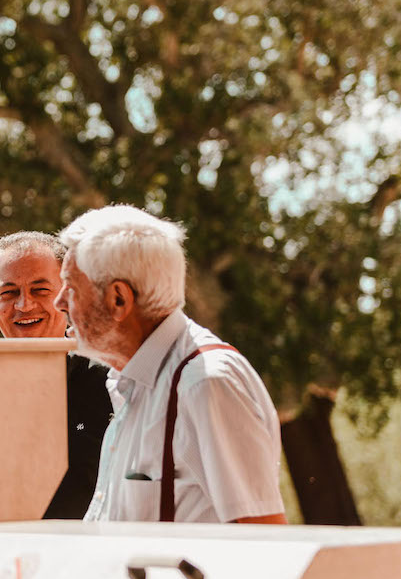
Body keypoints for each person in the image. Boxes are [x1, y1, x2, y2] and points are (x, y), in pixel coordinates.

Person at [54, 205, 286, 523]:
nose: (58, 301)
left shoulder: (206, 383)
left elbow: (262, 544)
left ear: (118, 299)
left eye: (71, 287)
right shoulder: (133, 381)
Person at [0, 231, 112, 519]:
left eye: (40, 290)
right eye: (9, 293)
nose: (24, 305)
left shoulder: (111, 383)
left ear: (68, 296)